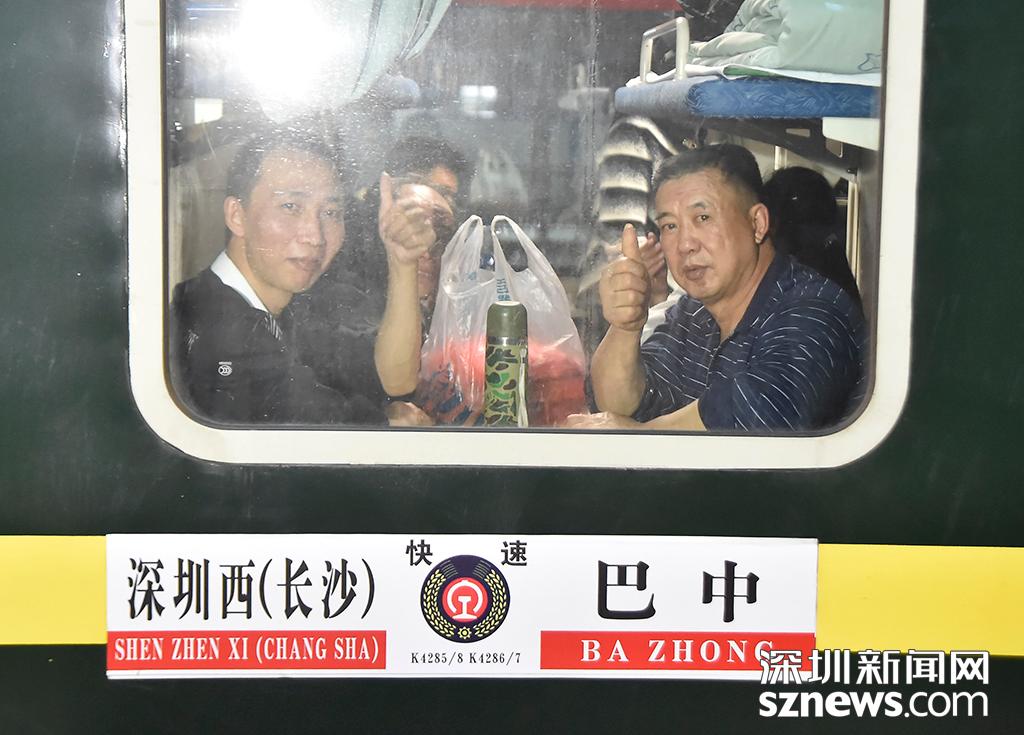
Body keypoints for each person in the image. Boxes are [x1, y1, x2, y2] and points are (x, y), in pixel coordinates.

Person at [568, 144, 865, 432]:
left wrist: (640, 436)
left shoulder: (813, 312)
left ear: (758, 223)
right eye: (670, 226)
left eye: (703, 218)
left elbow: (760, 415)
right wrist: (625, 327)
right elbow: (622, 404)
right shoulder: (693, 314)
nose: (685, 244)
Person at [169, 127, 427, 426]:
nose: (315, 236)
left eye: (331, 213)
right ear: (237, 215)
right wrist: (389, 422)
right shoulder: (216, 332)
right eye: (290, 207)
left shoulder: (290, 307)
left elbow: (395, 380)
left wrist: (402, 260)